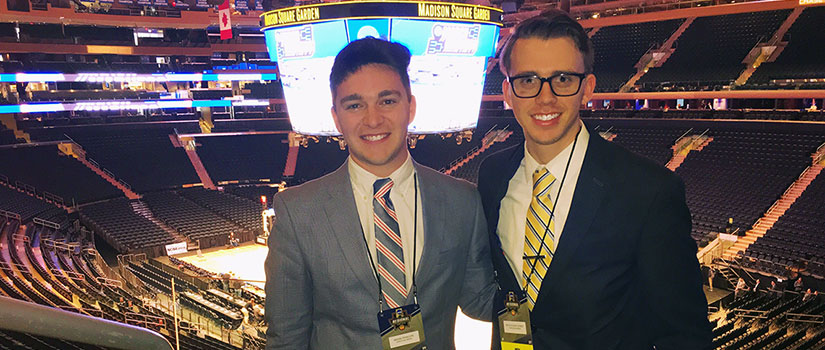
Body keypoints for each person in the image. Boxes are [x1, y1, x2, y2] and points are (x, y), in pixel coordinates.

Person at [476, 9, 712, 349]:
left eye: (563, 79)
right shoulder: (493, 174)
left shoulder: (649, 191)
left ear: (587, 88)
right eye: (528, 80)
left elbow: (686, 335)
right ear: (508, 92)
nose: (546, 97)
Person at [264, 37, 497, 350]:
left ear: (410, 106)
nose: (373, 120)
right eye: (355, 105)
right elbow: (286, 337)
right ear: (336, 117)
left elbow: (480, 300)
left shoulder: (462, 201)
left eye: (387, 101)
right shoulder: (297, 211)